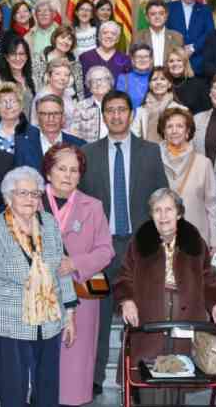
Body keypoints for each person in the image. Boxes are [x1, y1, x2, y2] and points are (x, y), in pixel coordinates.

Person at [78, 89, 169, 395]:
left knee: (141, 313)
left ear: (131, 115)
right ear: (103, 117)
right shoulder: (88, 154)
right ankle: (93, 378)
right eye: (110, 111)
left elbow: (161, 197)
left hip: (139, 246)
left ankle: (139, 378)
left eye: (122, 110)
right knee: (98, 316)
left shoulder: (150, 151)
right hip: (100, 249)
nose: (116, 116)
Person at [0, 167, 78, 407]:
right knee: (12, 394)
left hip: (49, 323)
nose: (30, 199)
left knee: (47, 393)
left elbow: (61, 269)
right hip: (8, 325)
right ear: (8, 197)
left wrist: (69, 315)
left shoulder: (49, 223)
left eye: (35, 194)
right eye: (23, 193)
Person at [115, 188, 216, 405]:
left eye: (169, 209)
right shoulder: (140, 241)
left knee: (179, 375)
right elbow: (124, 277)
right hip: (149, 321)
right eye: (157, 210)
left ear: (179, 213)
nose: (163, 215)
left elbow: (209, 279)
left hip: (185, 321)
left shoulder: (194, 241)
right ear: (151, 215)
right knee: (149, 381)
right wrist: (127, 301)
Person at [42, 144, 114, 406]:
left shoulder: (93, 206)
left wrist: (75, 262)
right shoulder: (31, 201)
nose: (68, 175)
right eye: (61, 168)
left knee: (75, 368)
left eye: (74, 170)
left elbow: (106, 250)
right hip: (37, 294)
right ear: (48, 172)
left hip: (80, 294)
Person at [159, 107, 216, 253]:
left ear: (188, 132)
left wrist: (215, 240)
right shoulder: (153, 160)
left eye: (180, 126)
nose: (174, 131)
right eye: (169, 126)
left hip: (196, 239)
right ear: (164, 132)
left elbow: (212, 205)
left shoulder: (203, 163)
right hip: (161, 238)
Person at [15, 94, 85, 170]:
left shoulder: (79, 146)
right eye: (45, 114)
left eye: (56, 113)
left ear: (63, 116)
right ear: (37, 117)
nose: (51, 119)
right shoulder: (22, 146)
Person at [165, 0, 215, 76]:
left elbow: (210, 33)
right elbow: (164, 32)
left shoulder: (205, 10)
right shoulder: (168, 8)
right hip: (174, 65)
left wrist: (193, 48)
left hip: (199, 66)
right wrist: (180, 51)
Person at [130, 67, 186, 142]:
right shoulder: (140, 110)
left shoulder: (181, 110)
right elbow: (134, 137)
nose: (158, 82)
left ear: (169, 84)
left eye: (162, 79)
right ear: (149, 85)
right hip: (147, 151)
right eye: (154, 79)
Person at [31, 25, 85, 101]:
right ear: (55, 38)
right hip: (46, 104)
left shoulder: (75, 62)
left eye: (70, 39)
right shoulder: (40, 59)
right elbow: (36, 86)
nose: (66, 42)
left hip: (71, 104)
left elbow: (80, 90)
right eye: (62, 37)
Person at [79, 21, 131, 95]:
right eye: (105, 33)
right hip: (90, 103)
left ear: (117, 39)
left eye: (113, 34)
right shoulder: (85, 57)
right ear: (99, 36)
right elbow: (80, 86)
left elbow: (128, 86)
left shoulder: (125, 59)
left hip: (115, 103)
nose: (109, 36)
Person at [132, 0, 184, 67]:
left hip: (170, 77)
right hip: (145, 77)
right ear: (147, 18)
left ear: (166, 16)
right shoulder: (137, 37)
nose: (157, 17)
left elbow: (182, 64)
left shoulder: (177, 37)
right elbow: (132, 62)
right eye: (153, 14)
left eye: (161, 13)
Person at [69, 66, 112, 142]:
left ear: (110, 83)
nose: (98, 83)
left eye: (102, 80)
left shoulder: (118, 105)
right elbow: (74, 135)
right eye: (94, 81)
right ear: (89, 85)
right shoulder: (80, 107)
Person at [0, 36, 36, 117]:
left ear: (27, 57)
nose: (18, 58)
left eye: (21, 54)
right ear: (7, 57)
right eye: (13, 54)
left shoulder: (32, 79)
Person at [30, 57, 77, 127]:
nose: (62, 78)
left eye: (66, 75)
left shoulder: (67, 94)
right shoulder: (43, 97)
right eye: (57, 74)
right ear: (49, 76)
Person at [165, 45, 211, 114]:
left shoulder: (199, 85)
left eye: (179, 60)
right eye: (171, 61)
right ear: (167, 65)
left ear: (185, 63)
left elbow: (206, 113)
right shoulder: (164, 85)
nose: (175, 64)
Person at [0, 82, 29, 155]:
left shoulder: (33, 133)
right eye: (3, 102)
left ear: (21, 106)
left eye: (13, 102)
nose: (8, 106)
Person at [116, 42, 153, 109]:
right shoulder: (123, 79)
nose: (142, 60)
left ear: (151, 60)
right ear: (132, 60)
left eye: (146, 57)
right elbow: (120, 104)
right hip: (131, 118)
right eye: (138, 57)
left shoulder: (156, 77)